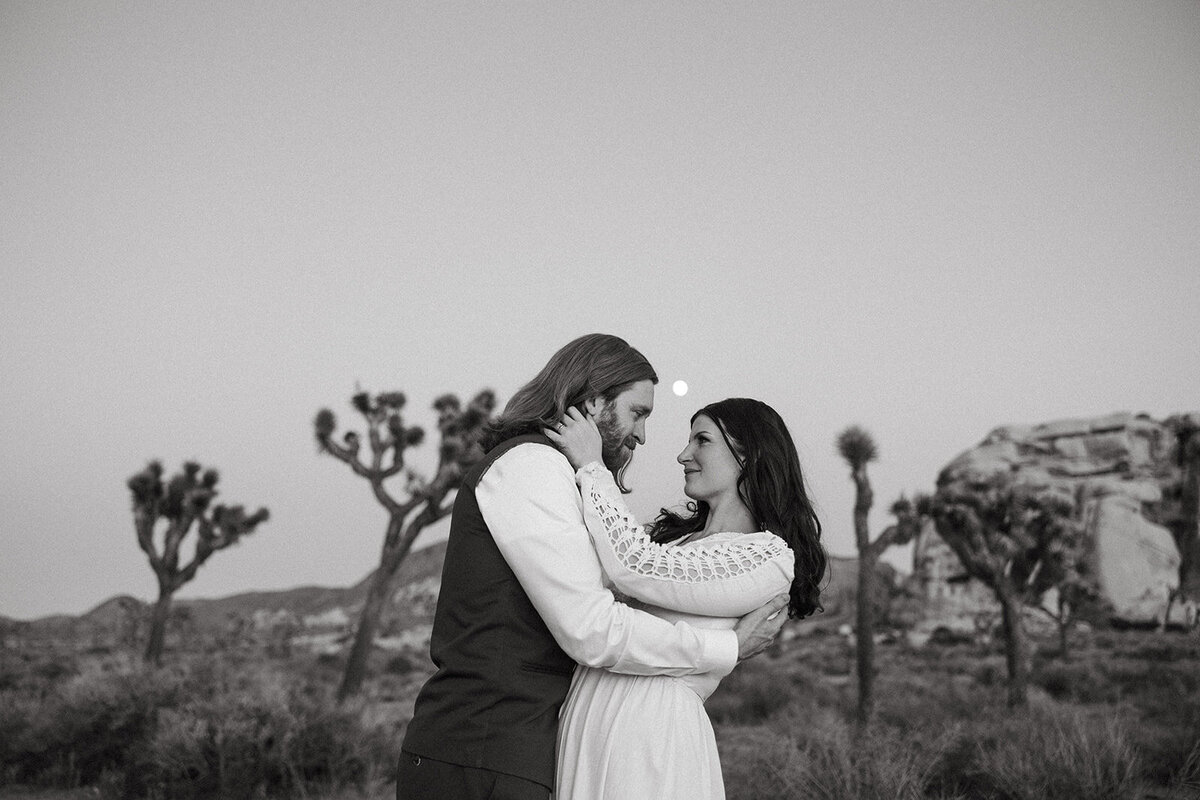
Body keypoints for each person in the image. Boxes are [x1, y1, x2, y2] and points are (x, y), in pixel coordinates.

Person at [397, 334, 789, 800]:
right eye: (637, 413)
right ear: (593, 400)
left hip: (526, 750)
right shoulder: (531, 467)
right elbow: (591, 626)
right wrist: (727, 648)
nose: (643, 436)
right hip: (482, 750)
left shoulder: (560, 477)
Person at [546, 398, 826, 800]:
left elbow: (634, 565)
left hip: (653, 731)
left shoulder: (766, 557)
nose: (683, 454)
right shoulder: (675, 544)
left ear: (750, 456)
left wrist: (593, 466)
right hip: (589, 716)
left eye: (702, 440)